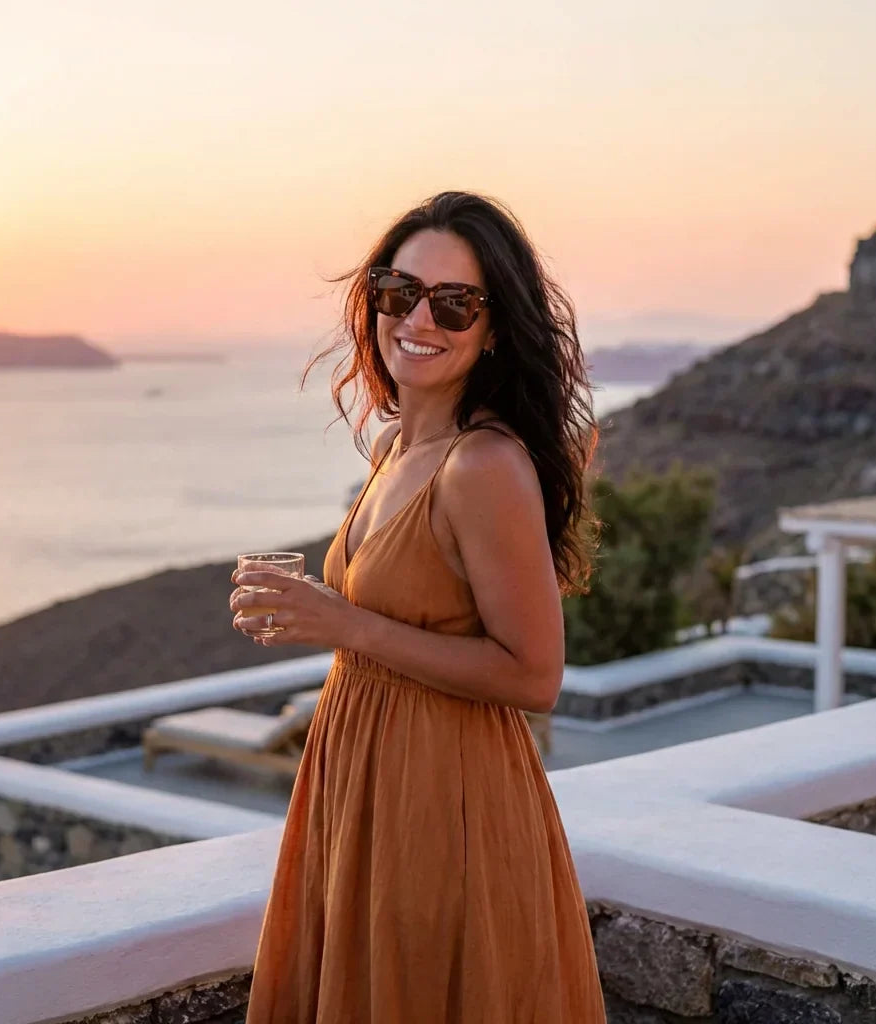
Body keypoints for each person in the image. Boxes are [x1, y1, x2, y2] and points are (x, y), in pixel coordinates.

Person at [229, 190, 606, 1022]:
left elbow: (535, 674)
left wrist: (345, 624)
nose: (419, 318)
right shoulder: (399, 442)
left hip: (444, 802)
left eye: (455, 303)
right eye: (400, 292)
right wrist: (327, 615)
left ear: (496, 326)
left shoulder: (484, 466)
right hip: (359, 782)